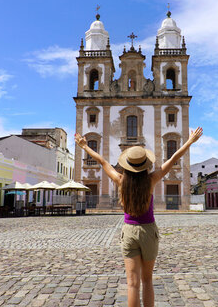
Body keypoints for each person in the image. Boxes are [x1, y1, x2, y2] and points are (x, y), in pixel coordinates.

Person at [75, 127, 203, 307]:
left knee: (132, 284)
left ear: (127, 164)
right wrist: (189, 141)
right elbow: (173, 158)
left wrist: (84, 147)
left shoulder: (120, 180)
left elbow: (103, 162)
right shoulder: (151, 180)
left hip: (128, 232)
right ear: (145, 164)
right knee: (147, 281)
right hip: (148, 231)